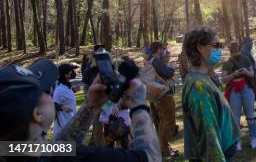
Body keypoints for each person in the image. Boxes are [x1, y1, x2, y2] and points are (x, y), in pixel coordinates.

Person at [0, 59, 161, 161]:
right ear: (37, 114)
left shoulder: (13, 149)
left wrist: (91, 106)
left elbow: (58, 150)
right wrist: (139, 106)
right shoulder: (87, 157)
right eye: (47, 90)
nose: (51, 92)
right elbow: (151, 157)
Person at [182, 27, 240, 161]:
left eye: (221, 45)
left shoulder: (203, 78)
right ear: (200, 48)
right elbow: (209, 136)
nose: (220, 49)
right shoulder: (199, 86)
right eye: (216, 45)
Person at [222, 42, 256, 151]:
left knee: (251, 116)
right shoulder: (227, 63)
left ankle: (253, 139)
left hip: (246, 88)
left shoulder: (245, 59)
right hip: (234, 90)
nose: (236, 54)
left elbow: (252, 74)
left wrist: (246, 72)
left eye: (237, 51)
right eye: (234, 53)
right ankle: (237, 141)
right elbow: (224, 79)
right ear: (231, 52)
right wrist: (234, 74)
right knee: (235, 118)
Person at [147, 41, 177, 157]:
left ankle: (163, 147)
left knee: (162, 121)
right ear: (158, 49)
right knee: (167, 121)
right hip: (163, 94)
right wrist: (172, 69)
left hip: (158, 94)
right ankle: (164, 148)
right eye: (162, 48)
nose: (164, 50)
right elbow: (167, 73)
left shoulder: (151, 60)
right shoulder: (156, 60)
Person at [53, 63, 79, 137]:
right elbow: (52, 105)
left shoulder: (67, 87)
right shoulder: (59, 90)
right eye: (71, 70)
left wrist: (73, 90)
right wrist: (62, 107)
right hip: (63, 128)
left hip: (71, 125)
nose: (74, 72)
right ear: (66, 74)